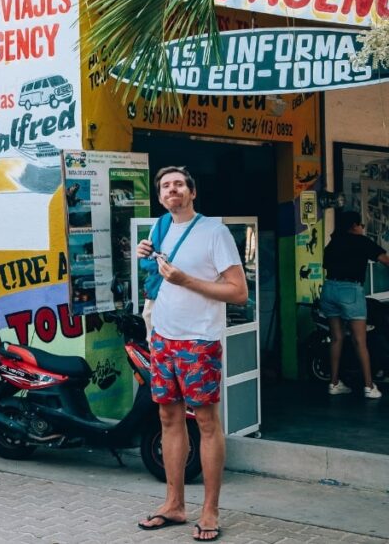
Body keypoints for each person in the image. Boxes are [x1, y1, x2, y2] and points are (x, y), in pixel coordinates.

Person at [135, 166, 247, 542]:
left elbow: (238, 292)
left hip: (199, 341)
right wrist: (145, 255)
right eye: (166, 186)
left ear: (192, 192)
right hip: (163, 339)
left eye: (179, 184)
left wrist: (187, 280)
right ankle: (174, 504)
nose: (172, 190)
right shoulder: (159, 228)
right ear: (160, 195)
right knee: (168, 419)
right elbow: (159, 279)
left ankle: (210, 511)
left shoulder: (214, 232)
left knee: (206, 422)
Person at [320, 210, 388, 399]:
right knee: (360, 340)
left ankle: (334, 383)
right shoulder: (362, 241)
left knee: (336, 338)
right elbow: (385, 260)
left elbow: (327, 266)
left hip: (329, 289)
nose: (362, 228)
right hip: (350, 290)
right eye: (361, 224)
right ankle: (369, 386)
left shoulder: (333, 243)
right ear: (354, 226)